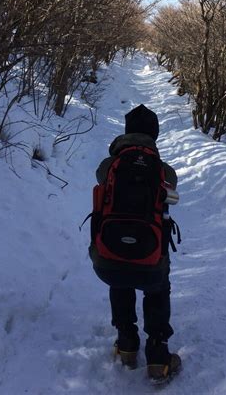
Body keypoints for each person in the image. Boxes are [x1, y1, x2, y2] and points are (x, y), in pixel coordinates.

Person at [89, 104, 181, 381]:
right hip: (150, 258)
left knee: (121, 279)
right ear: (154, 135)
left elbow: (100, 180)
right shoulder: (164, 170)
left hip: (107, 259)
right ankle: (158, 354)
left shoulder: (110, 165)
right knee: (157, 285)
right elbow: (172, 193)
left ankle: (126, 343)